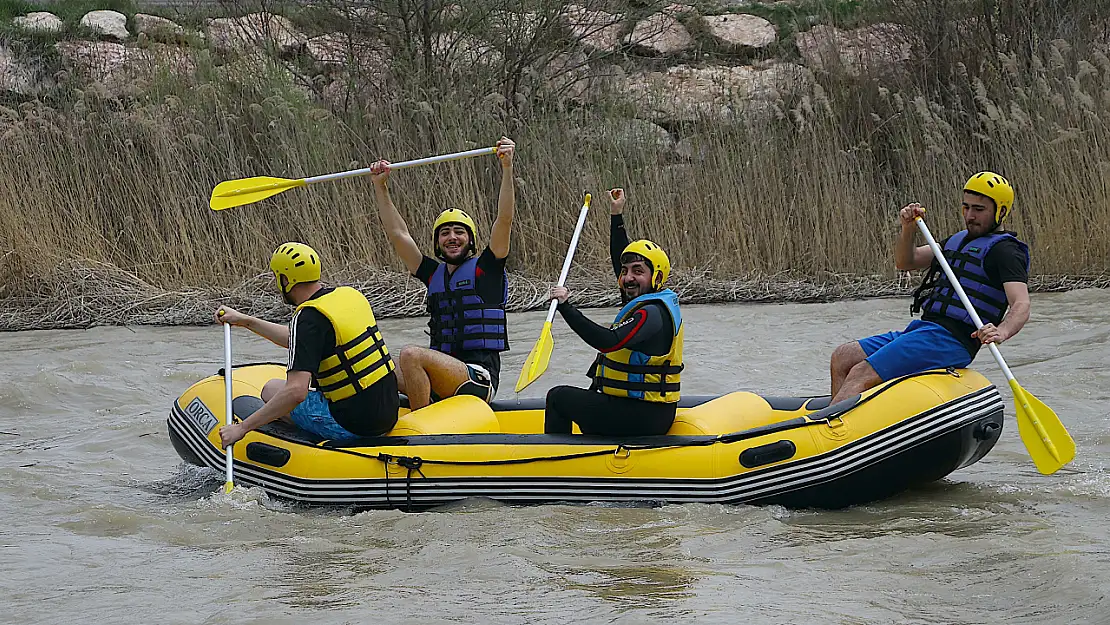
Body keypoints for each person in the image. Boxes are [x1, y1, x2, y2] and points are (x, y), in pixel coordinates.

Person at [829, 171, 1031, 403]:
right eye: (966, 207)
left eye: (979, 209)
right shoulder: (958, 241)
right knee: (843, 357)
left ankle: (831, 431)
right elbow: (907, 261)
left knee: (860, 372)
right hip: (924, 330)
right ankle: (842, 418)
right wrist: (908, 228)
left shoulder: (1006, 251)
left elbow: (1021, 303)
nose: (970, 215)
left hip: (952, 340)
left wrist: (1001, 331)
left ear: (1001, 211)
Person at [367, 137, 515, 410]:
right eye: (445, 233)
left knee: (411, 354)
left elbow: (504, 219)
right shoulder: (433, 275)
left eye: (459, 232)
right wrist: (380, 187)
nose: (452, 237)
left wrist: (507, 168)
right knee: (376, 368)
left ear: (471, 241)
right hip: (441, 373)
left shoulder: (487, 270)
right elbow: (398, 234)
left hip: (477, 379)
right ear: (437, 243)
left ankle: (423, 431)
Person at [216, 242, 400, 447]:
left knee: (271, 390)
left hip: (354, 427)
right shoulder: (348, 296)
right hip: (388, 413)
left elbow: (296, 392)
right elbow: (302, 342)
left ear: (286, 280)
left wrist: (241, 428)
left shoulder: (308, 318)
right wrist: (247, 321)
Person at [544, 188, 684, 436]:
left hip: (644, 416)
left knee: (558, 397)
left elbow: (608, 342)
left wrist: (566, 306)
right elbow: (618, 257)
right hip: (637, 409)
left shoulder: (651, 314)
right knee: (589, 395)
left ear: (657, 277)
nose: (628, 277)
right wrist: (616, 214)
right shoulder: (642, 298)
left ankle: (555, 462)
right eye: (625, 271)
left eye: (638, 271)